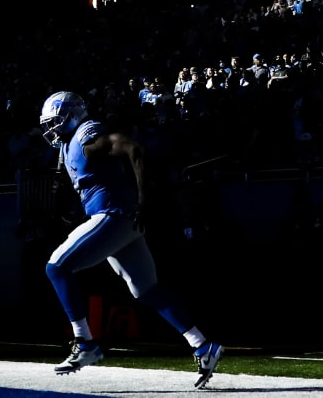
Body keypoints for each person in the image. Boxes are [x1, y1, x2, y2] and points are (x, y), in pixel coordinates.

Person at [39, 91, 223, 388]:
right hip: (119, 220)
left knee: (56, 267)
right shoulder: (70, 145)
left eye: (55, 122)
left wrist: (142, 199)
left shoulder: (88, 136)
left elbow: (133, 149)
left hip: (116, 216)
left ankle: (85, 343)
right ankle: (202, 345)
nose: (52, 129)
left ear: (70, 115)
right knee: (146, 290)